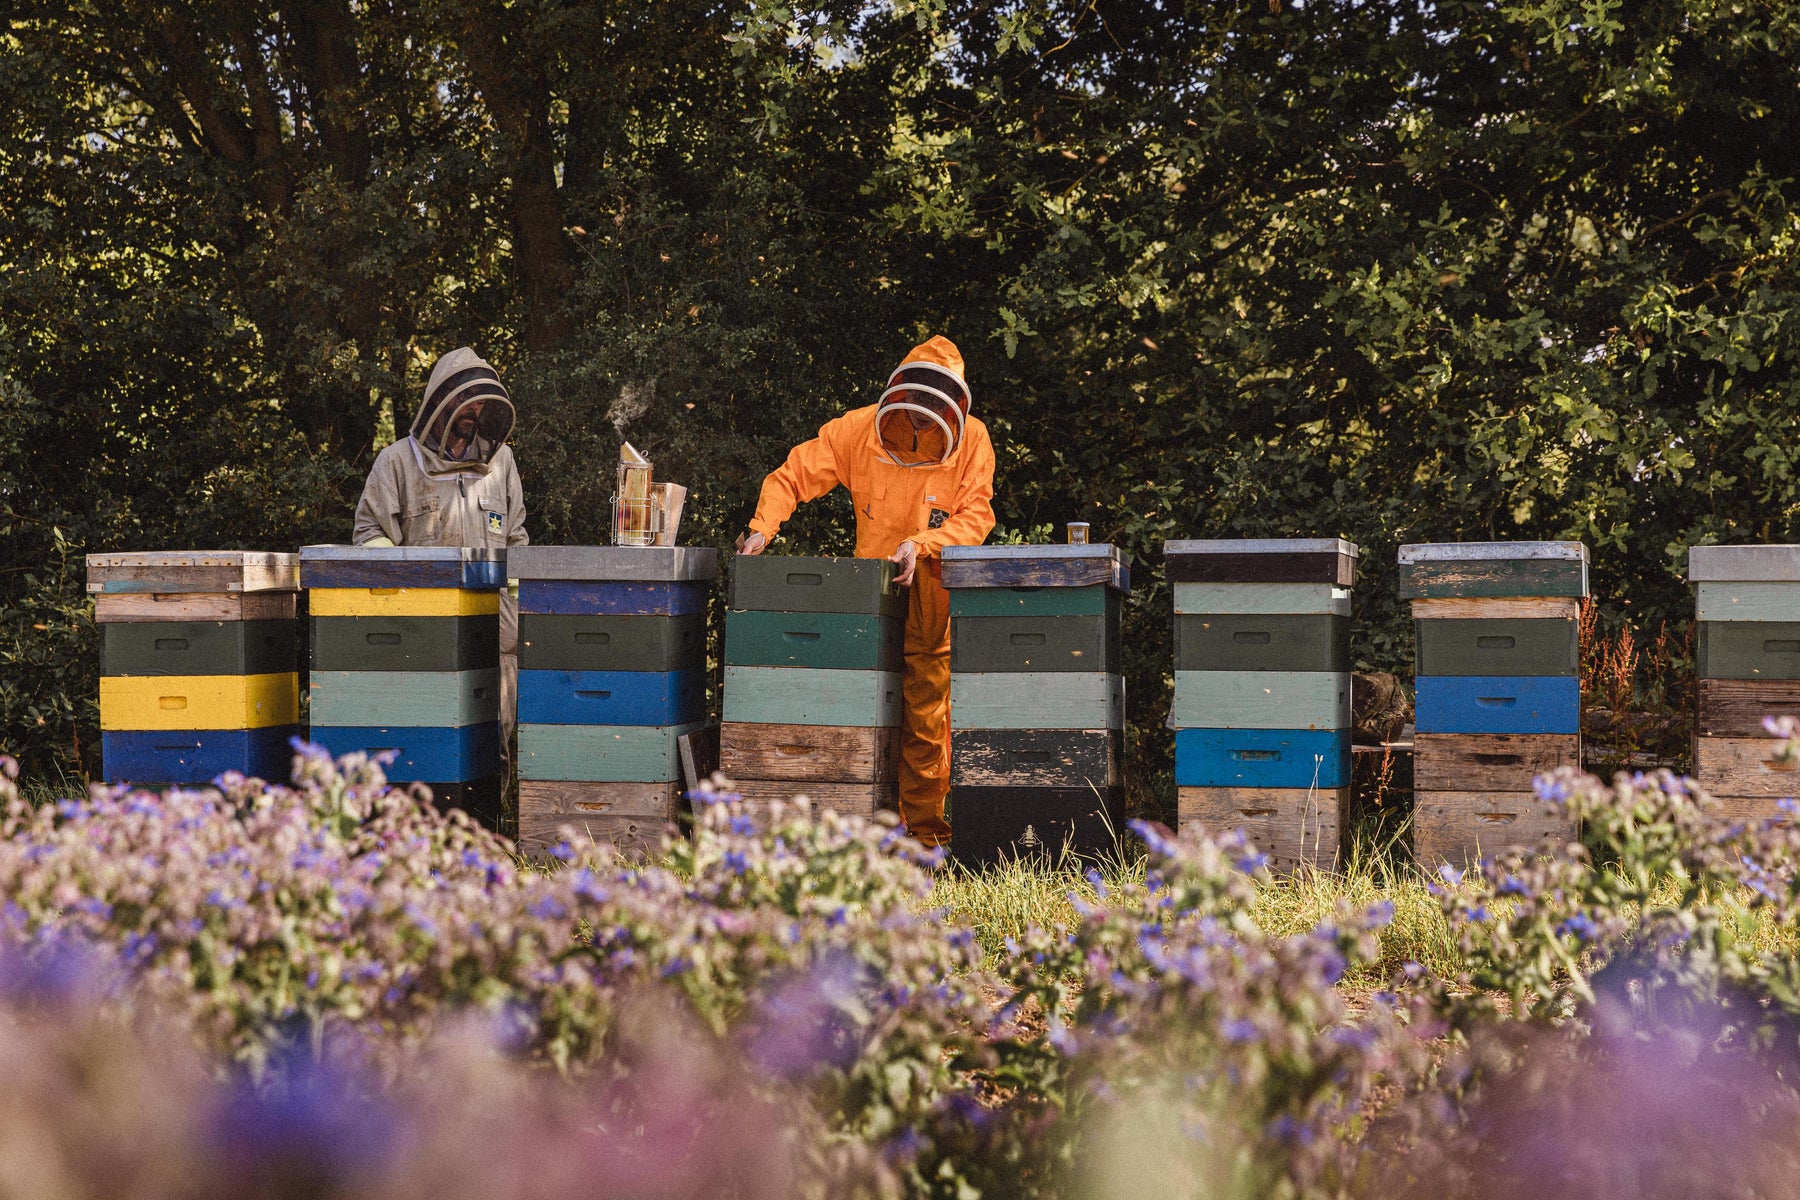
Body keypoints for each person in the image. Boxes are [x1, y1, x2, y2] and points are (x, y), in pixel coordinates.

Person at [737, 335, 995, 847]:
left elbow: (977, 515)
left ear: (954, 403)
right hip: (866, 598)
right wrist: (763, 526)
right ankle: (858, 831)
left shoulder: (974, 440)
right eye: (915, 406)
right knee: (859, 711)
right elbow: (792, 475)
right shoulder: (856, 431)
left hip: (931, 592)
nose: (921, 418)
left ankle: (923, 836)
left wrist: (921, 544)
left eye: (932, 408)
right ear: (900, 389)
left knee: (923, 719)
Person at [352, 347, 529, 772]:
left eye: (480, 404)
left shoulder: (501, 461)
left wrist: (520, 608)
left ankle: (491, 831)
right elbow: (368, 534)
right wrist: (405, 592)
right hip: (424, 627)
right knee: (429, 739)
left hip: (494, 624)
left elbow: (517, 537)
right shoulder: (397, 462)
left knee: (493, 736)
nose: (473, 411)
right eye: (465, 402)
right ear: (439, 401)